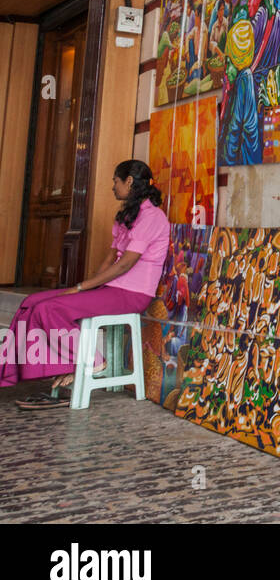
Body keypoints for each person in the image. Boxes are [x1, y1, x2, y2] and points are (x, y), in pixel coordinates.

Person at [3, 160, 170, 409]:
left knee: (50, 309)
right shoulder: (128, 215)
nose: (113, 186)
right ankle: (27, 372)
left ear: (129, 182)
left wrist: (81, 288)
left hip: (132, 294)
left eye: (116, 180)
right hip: (112, 289)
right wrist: (88, 286)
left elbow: (125, 265)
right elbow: (109, 259)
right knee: (31, 302)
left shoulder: (153, 217)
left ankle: (91, 360)